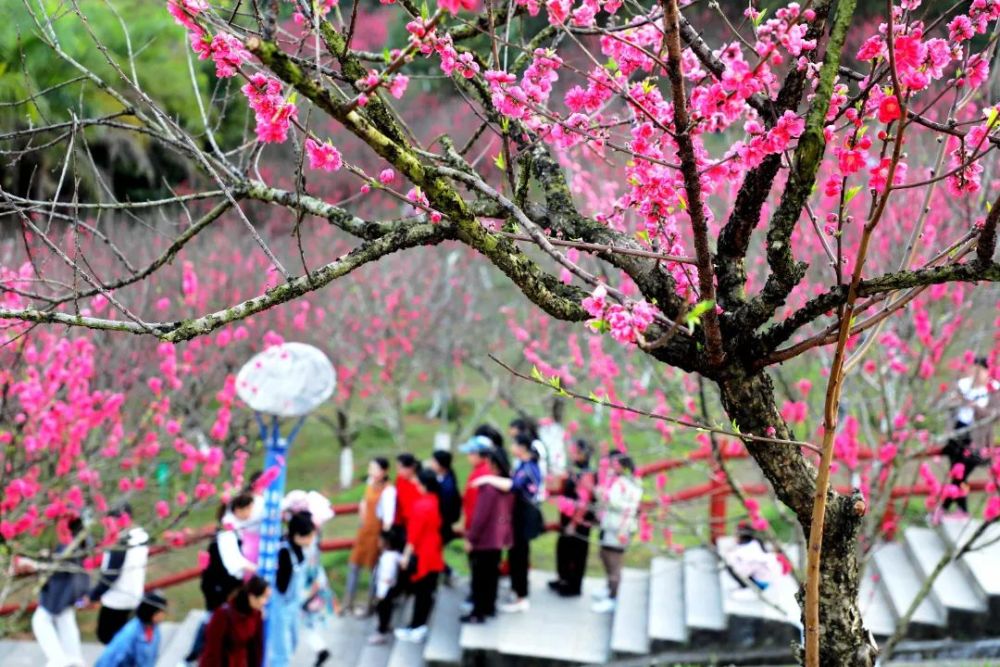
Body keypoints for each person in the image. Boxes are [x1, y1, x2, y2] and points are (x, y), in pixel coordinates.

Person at [474, 434, 544, 613]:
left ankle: (521, 595)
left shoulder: (529, 468)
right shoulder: (524, 464)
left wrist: (489, 479)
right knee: (515, 555)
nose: (512, 447)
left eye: (514, 443)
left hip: (523, 518)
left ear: (522, 447)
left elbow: (514, 485)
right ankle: (516, 589)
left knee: (519, 556)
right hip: (518, 517)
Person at [185, 493, 257, 663]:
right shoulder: (227, 531)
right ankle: (192, 657)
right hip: (218, 584)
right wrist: (257, 569)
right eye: (248, 508)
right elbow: (233, 562)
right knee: (211, 620)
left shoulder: (234, 526)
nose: (251, 512)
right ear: (238, 509)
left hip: (226, 583)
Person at [939, 357, 997, 517]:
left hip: (976, 437)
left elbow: (994, 415)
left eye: (981, 371)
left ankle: (946, 509)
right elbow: (948, 405)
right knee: (956, 473)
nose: (977, 374)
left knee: (961, 473)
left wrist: (976, 407)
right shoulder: (963, 385)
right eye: (975, 369)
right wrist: (955, 401)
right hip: (958, 431)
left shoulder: (993, 391)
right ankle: (959, 510)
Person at [462, 449, 514, 624]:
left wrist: (471, 538)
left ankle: (478, 612)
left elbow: (480, 516)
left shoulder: (489, 488)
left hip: (484, 540)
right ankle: (489, 607)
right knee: (492, 576)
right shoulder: (507, 486)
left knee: (479, 578)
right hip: (498, 539)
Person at [32, 516, 91, 667]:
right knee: (66, 620)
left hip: (60, 595)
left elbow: (54, 569)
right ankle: (72, 659)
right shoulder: (83, 542)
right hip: (75, 595)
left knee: (40, 620)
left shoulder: (66, 547)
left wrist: (38, 563)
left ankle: (59, 660)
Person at [394, 469, 445, 642]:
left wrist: (406, 556)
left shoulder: (421, 506)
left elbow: (413, 536)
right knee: (427, 591)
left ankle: (417, 626)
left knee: (422, 592)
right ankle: (418, 625)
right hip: (433, 551)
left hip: (423, 553)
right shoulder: (434, 501)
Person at [90, 506, 150, 644]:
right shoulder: (141, 535)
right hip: (134, 596)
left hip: (116, 599)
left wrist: (93, 595)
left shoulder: (120, 541)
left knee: (107, 637)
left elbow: (111, 574)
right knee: (126, 641)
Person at [592, 454, 643, 613]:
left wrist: (603, 495)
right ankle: (609, 588)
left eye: (615, 464)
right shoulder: (617, 480)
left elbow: (624, 504)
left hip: (620, 527)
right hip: (610, 524)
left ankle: (614, 597)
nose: (612, 467)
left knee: (614, 560)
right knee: (604, 554)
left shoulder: (631, 483)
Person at [345, 458, 396, 615]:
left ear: (384, 471)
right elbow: (364, 503)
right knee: (354, 565)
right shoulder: (370, 484)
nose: (371, 472)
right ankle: (348, 602)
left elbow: (388, 519)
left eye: (375, 469)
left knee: (374, 570)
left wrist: (383, 538)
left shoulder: (388, 491)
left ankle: (370, 604)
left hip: (376, 534)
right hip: (364, 531)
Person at [267, 511, 317, 667]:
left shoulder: (301, 548)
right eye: (308, 536)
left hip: (294, 604)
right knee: (282, 652)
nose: (311, 539)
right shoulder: (284, 552)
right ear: (297, 535)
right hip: (281, 605)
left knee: (294, 643)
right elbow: (280, 585)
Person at [549, 439, 596, 598]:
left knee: (576, 554)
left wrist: (574, 524)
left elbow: (583, 503)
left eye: (576, 451)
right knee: (563, 550)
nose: (572, 453)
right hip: (567, 519)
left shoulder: (586, 473)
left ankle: (573, 585)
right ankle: (563, 579)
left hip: (578, 523)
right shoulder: (574, 470)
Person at [200, 575, 269, 667]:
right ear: (252, 597)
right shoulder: (222, 615)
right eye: (264, 597)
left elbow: (256, 649)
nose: (266, 602)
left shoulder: (256, 615)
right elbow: (213, 651)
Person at [94, 591, 168, 667]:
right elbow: (113, 658)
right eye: (162, 612)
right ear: (153, 612)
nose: (164, 615)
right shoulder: (130, 633)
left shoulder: (154, 630)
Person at [300, 534, 335, 667]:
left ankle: (321, 650)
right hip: (313, 595)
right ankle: (321, 649)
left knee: (307, 626)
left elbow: (315, 582)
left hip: (310, 595)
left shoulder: (309, 555)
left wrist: (305, 597)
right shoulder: (313, 551)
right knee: (309, 626)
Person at [722, 522, 779, 599]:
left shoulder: (746, 551)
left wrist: (730, 558)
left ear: (740, 536)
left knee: (730, 567)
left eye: (735, 534)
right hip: (766, 579)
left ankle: (748, 589)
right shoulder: (756, 543)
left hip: (761, 583)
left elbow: (742, 572)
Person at [369, 527, 406, 645]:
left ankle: (381, 632)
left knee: (382, 611)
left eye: (380, 540)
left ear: (387, 543)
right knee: (387, 610)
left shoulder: (387, 559)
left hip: (384, 591)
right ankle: (386, 625)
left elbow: (386, 578)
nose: (378, 542)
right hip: (388, 589)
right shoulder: (394, 555)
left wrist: (380, 594)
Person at [429, 450, 461, 546]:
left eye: (434, 461)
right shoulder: (439, 478)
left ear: (441, 465)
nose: (431, 463)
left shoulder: (447, 486)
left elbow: (446, 509)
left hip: (442, 526)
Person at [394, 453, 421, 531]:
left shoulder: (420, 485)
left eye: (400, 468)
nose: (398, 471)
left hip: (414, 524)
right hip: (400, 522)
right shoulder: (400, 479)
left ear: (411, 468)